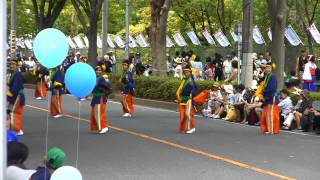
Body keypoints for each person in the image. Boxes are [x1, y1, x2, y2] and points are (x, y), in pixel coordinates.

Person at [256, 62, 280, 134]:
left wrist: (265, 95)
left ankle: (272, 130)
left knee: (271, 114)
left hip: (271, 96)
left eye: (269, 68)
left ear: (271, 69)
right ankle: (269, 129)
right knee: (267, 114)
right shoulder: (267, 76)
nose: (267, 69)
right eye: (266, 68)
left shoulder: (272, 76)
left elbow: (272, 88)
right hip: (267, 96)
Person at [91, 66, 112, 134]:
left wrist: (104, 89)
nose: (98, 71)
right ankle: (100, 127)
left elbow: (108, 86)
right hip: (95, 97)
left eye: (99, 70)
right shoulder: (94, 78)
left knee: (99, 113)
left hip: (100, 97)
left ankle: (104, 127)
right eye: (97, 70)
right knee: (95, 113)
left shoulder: (101, 78)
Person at [176, 66, 197, 134]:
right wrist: (178, 97)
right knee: (182, 115)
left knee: (188, 114)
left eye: (187, 72)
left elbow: (194, 91)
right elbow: (180, 89)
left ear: (190, 73)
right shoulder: (184, 80)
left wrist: (191, 97)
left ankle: (192, 127)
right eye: (185, 72)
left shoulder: (191, 81)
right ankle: (183, 128)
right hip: (182, 100)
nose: (186, 73)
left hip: (188, 100)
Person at [7, 60, 25, 136]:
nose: (11, 65)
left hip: (17, 96)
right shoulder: (13, 74)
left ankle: (17, 130)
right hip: (12, 96)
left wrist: (9, 94)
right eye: (11, 64)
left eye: (13, 64)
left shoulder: (17, 74)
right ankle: (13, 128)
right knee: (11, 112)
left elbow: (15, 88)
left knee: (15, 113)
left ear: (17, 65)